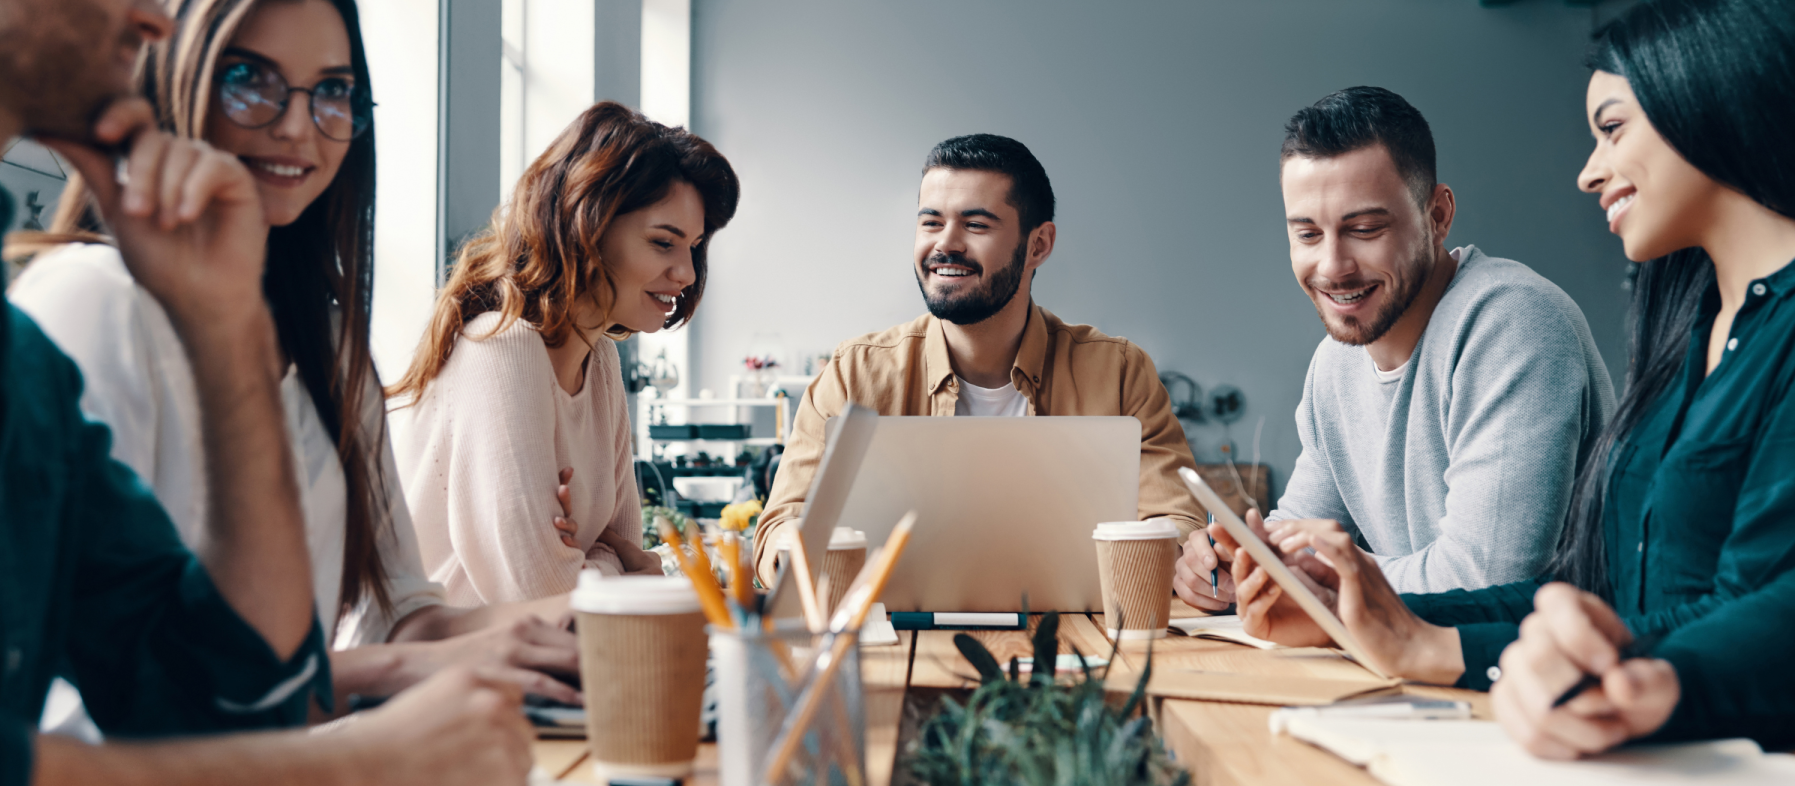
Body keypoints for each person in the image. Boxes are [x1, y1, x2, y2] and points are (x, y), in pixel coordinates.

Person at [1221, 0, 1795, 757]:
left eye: (1612, 128)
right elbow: (1601, 594)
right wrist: (1359, 610)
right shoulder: (1687, 333)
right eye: (1308, 233)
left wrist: (1646, 675)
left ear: (1709, 101)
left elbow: (1749, 607)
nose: (1589, 171)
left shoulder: (1519, 320)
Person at [0, 0, 529, 784]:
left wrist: (228, 326)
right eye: (247, 78)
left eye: (333, 91)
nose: (152, 17)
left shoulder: (25, 361)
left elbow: (234, 696)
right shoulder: (83, 301)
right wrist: (365, 759)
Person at [1174, 87, 1615, 607]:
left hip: (1548, 671)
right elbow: (1298, 534)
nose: (1333, 266)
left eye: (1363, 229)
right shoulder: (1334, 363)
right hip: (1417, 666)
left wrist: (1309, 577)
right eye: (1308, 235)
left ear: (1438, 215)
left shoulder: (1513, 324)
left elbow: (1485, 579)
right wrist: (1231, 565)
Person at [753, 134, 1204, 583]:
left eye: (976, 225)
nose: (945, 244)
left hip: (1077, 639)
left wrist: (1189, 561)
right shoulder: (854, 374)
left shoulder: (1120, 372)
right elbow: (782, 522)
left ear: (1038, 245)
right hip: (896, 645)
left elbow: (1176, 519)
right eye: (931, 223)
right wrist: (793, 550)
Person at [389, 101, 740, 604]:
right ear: (588, 229)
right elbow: (543, 595)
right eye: (664, 243)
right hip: (452, 670)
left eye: (694, 246)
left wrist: (594, 561)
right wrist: (608, 566)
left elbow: (623, 546)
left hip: (553, 667)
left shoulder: (599, 363)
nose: (686, 272)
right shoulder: (501, 349)